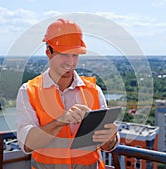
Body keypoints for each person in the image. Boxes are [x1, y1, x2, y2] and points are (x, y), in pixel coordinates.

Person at [16, 18, 119, 169]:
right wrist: (61, 121)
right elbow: (27, 144)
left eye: (75, 55)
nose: (70, 62)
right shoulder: (29, 91)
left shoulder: (93, 90)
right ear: (48, 52)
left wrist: (110, 138)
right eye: (63, 54)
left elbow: (108, 146)